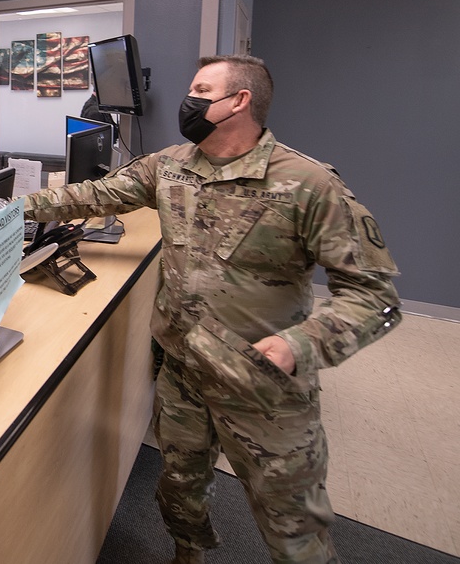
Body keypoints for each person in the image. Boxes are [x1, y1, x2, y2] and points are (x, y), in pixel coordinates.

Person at [22, 55, 401, 564]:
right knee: (179, 493)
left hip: (262, 386)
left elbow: (374, 295)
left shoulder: (309, 185)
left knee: (294, 528)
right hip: (183, 374)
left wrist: (299, 345)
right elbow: (95, 194)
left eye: (201, 90)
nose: (189, 101)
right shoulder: (170, 165)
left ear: (239, 101)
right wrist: (9, 208)